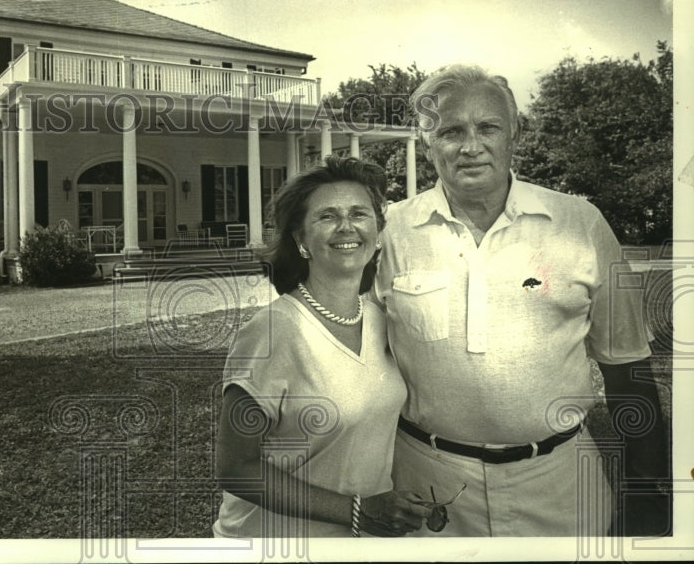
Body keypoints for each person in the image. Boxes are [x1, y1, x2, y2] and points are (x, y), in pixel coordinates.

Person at [375, 63, 670, 537]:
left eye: (488, 127)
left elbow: (628, 368)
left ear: (514, 133)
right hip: (426, 488)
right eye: (451, 131)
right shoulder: (388, 230)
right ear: (427, 143)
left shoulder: (581, 222)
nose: (471, 146)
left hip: (560, 485)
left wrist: (648, 494)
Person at [213, 156, 432, 538]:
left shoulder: (384, 321)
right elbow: (236, 468)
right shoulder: (271, 331)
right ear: (300, 240)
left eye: (359, 214)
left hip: (359, 546)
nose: (346, 227)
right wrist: (357, 511)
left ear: (378, 232)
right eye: (327, 216)